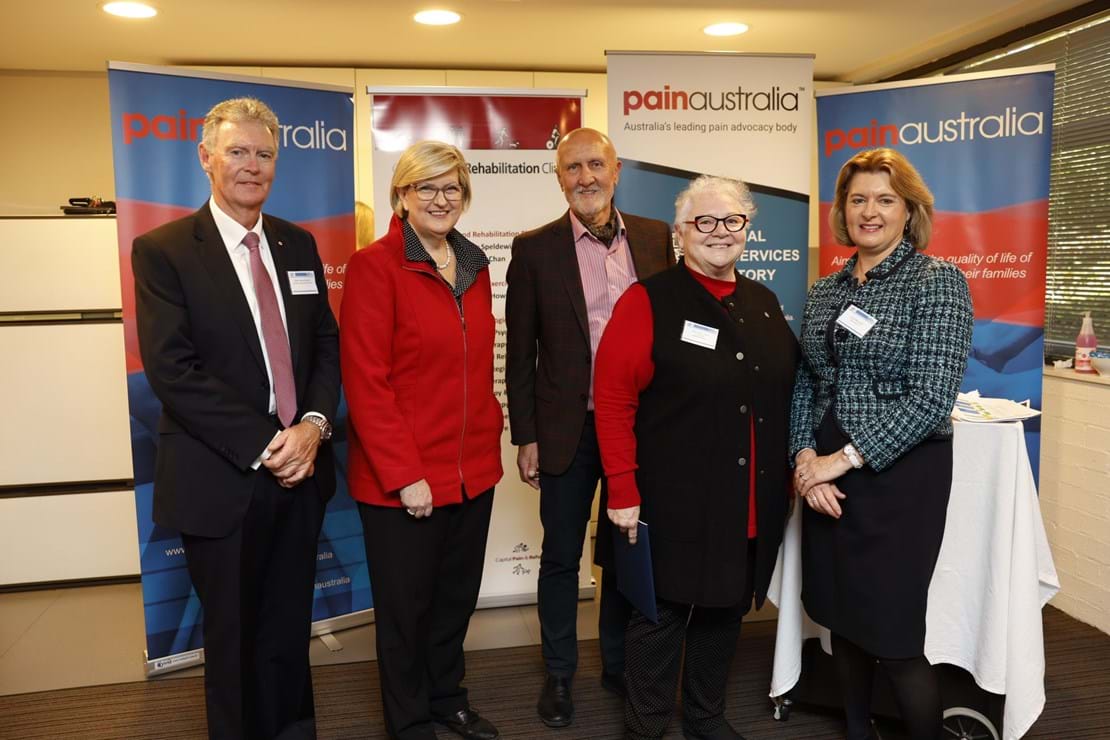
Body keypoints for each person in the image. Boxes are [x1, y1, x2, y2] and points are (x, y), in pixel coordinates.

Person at [132, 97, 340, 739]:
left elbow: (324, 346)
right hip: (224, 478)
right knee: (233, 639)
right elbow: (174, 370)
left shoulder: (298, 243)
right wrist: (270, 444)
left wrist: (311, 425)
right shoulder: (164, 250)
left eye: (265, 154)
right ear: (206, 158)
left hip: (301, 473)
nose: (253, 166)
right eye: (238, 152)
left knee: (286, 626)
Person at [595, 175, 798, 740]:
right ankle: (647, 726)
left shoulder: (763, 302)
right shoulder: (648, 301)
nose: (719, 232)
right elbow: (612, 401)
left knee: (724, 611)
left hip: (747, 502)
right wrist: (622, 490)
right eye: (703, 222)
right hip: (672, 499)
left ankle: (706, 716)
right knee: (659, 619)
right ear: (681, 232)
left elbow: (785, 387)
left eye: (731, 221)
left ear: (747, 231)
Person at [791, 148, 974, 740]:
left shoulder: (937, 281)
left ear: (908, 211)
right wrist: (803, 462)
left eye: (885, 200)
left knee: (893, 636)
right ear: (842, 211)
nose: (870, 211)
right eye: (858, 199)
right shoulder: (824, 290)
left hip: (898, 479)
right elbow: (806, 384)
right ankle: (856, 731)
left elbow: (929, 400)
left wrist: (837, 464)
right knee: (842, 622)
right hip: (824, 476)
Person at [505, 127, 675, 727]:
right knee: (560, 557)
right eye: (573, 167)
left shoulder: (656, 239)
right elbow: (519, 353)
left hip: (638, 427)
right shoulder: (533, 248)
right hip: (566, 428)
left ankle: (618, 663)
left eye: (595, 164)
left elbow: (670, 333)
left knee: (625, 549)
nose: (585, 177)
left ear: (616, 169)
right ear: (558, 177)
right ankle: (558, 675)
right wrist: (523, 434)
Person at [341, 141, 504, 740]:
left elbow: (475, 365)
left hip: (473, 470)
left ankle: (446, 698)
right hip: (403, 478)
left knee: (454, 602)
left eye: (452, 188)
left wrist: (489, 431)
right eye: (426, 188)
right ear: (402, 196)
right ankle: (409, 721)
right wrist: (405, 472)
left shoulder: (475, 265)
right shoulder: (375, 266)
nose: (441, 199)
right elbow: (366, 380)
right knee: (406, 614)